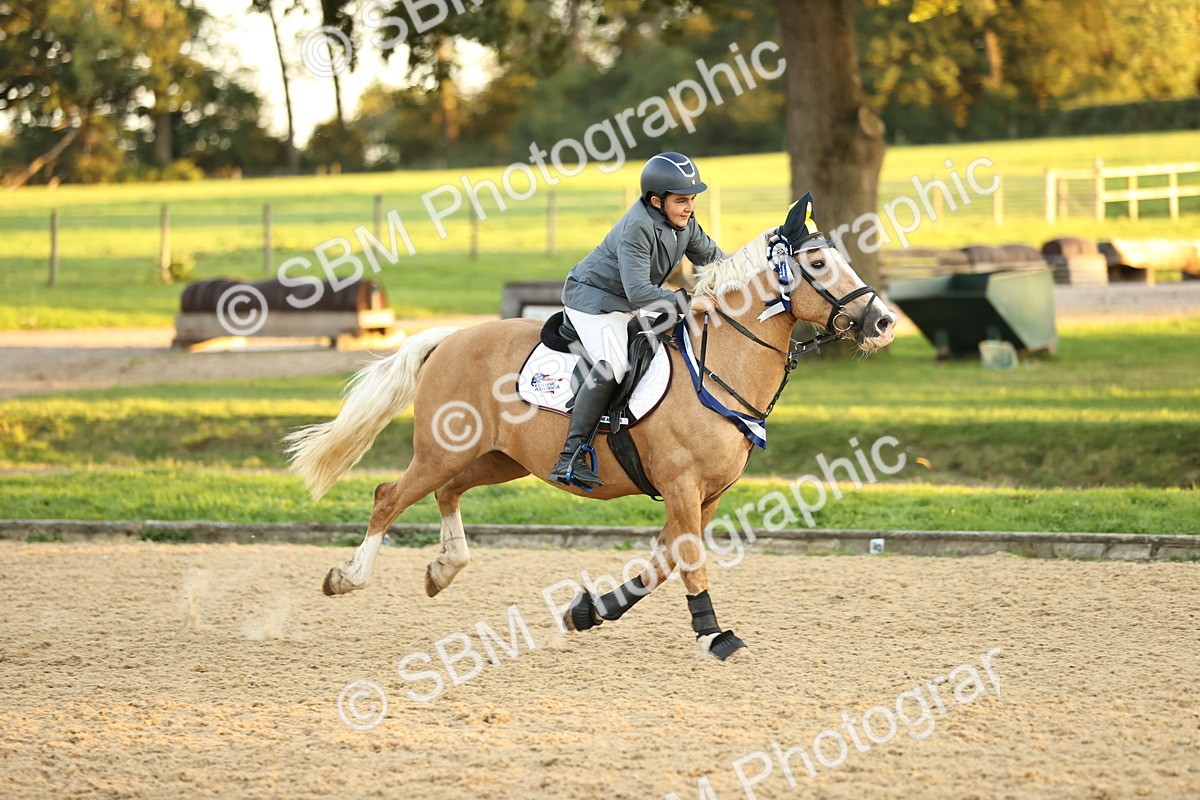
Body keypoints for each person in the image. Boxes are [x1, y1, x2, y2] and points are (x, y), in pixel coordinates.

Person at [548, 151, 725, 489]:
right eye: (682, 200)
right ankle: (570, 456)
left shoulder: (685, 224)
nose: (690, 207)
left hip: (628, 300)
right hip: (594, 301)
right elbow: (641, 292)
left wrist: (756, 274)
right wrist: (689, 300)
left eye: (692, 199)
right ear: (656, 200)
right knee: (614, 363)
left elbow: (717, 261)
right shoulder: (637, 227)